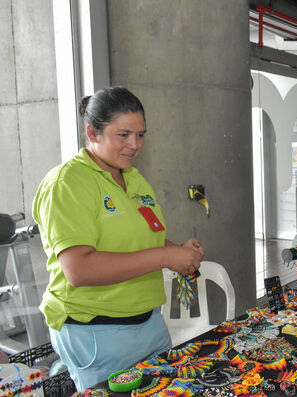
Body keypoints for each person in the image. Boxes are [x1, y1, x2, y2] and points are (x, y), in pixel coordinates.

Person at [32, 86, 204, 391]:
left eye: (140, 135)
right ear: (93, 132)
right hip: (97, 332)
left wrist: (176, 252)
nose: (134, 145)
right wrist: (166, 258)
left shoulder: (133, 178)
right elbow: (79, 270)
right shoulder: (68, 183)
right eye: (123, 135)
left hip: (148, 323)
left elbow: (142, 239)